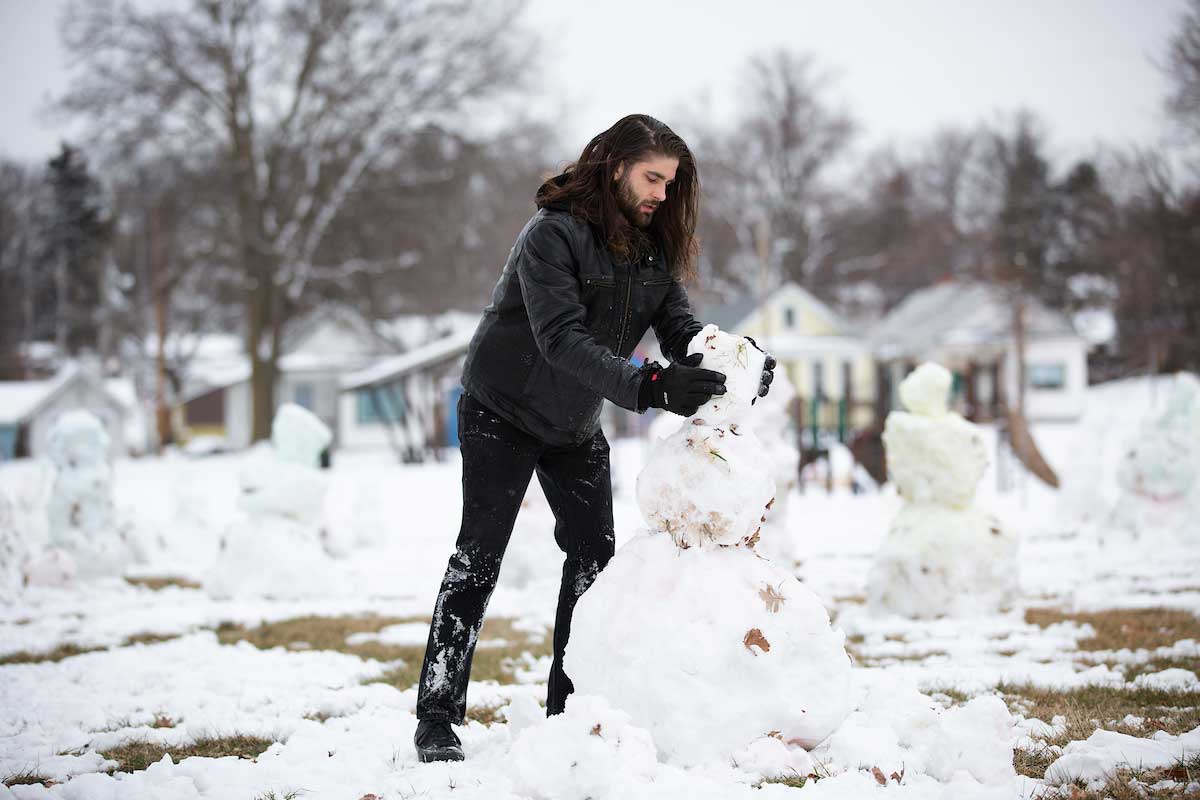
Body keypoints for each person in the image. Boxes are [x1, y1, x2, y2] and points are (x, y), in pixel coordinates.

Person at [413, 114, 775, 763]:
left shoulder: (650, 248)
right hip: (501, 408)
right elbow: (560, 339)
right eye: (652, 178)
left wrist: (731, 360)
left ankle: (568, 705)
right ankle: (437, 713)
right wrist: (651, 388)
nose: (662, 195)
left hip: (575, 421)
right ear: (615, 168)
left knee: (593, 558)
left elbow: (680, 326)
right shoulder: (552, 235)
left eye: (671, 183)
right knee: (480, 555)